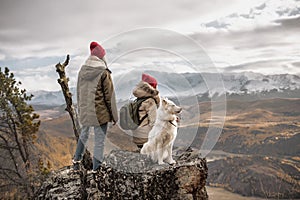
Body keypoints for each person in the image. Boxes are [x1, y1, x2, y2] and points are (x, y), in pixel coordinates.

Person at [72, 41, 118, 172]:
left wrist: (81, 111)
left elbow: (79, 92)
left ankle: (76, 162)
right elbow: (110, 97)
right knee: (99, 141)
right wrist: (114, 116)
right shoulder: (103, 72)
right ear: (102, 57)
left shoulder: (82, 70)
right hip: (100, 113)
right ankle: (96, 169)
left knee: (83, 135)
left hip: (86, 112)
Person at [132, 73, 160, 149]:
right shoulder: (149, 101)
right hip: (145, 138)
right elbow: (153, 122)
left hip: (137, 136)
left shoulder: (138, 99)